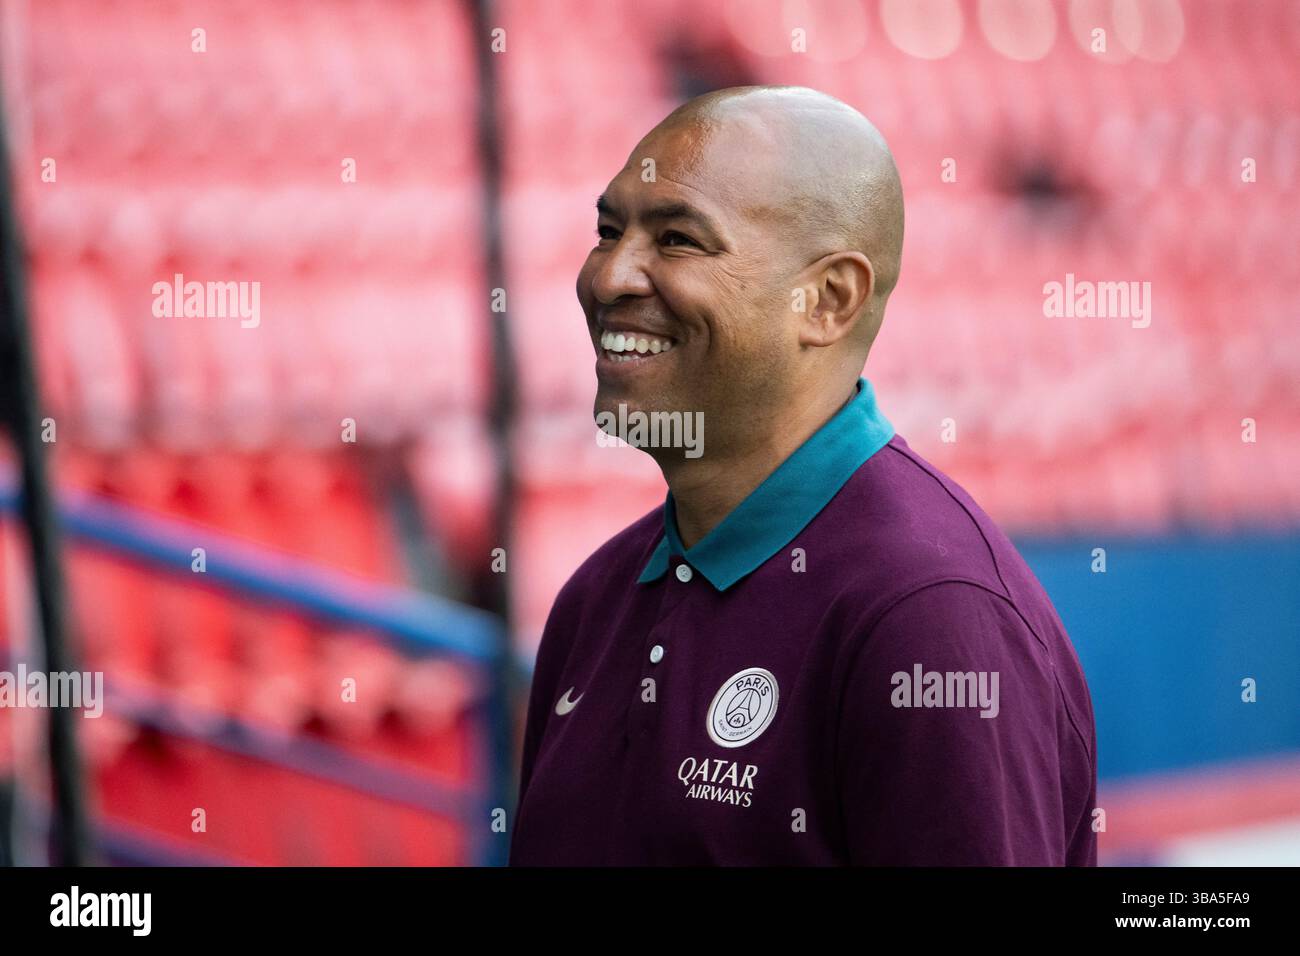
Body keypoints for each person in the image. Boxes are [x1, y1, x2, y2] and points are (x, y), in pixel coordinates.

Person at [509, 85, 1097, 865]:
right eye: (608, 230)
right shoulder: (596, 599)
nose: (609, 276)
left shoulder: (933, 621)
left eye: (679, 239)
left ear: (826, 300)